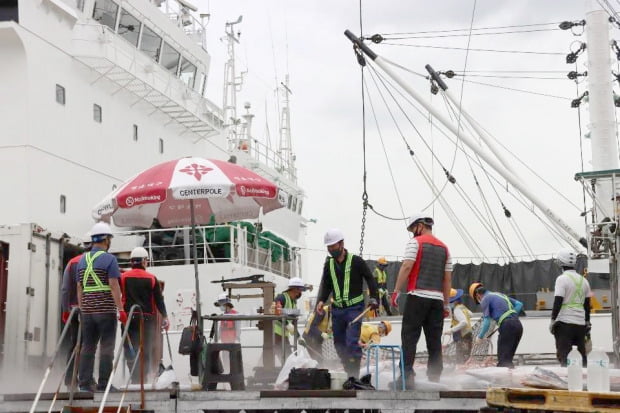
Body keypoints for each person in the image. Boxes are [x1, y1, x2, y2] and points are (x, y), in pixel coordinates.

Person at [392, 213, 452, 388]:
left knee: (409, 338)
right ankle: (434, 378)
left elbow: (407, 266)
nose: (412, 234)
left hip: (417, 296)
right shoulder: (445, 248)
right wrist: (446, 304)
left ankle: (406, 376)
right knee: (434, 341)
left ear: (420, 226)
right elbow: (447, 279)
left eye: (413, 229)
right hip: (437, 301)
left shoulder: (415, 243)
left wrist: (396, 291)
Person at [316, 228, 379, 379]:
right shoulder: (329, 265)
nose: (331, 250)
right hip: (337, 310)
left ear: (341, 244)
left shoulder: (356, 261)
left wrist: (374, 298)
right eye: (329, 247)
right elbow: (326, 285)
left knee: (351, 343)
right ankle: (349, 370)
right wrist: (320, 301)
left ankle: (354, 376)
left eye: (334, 246)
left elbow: (370, 279)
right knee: (338, 344)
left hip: (354, 309)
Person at [76, 222, 125, 392]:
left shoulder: (82, 259)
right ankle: (104, 384)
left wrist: (82, 309)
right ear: (105, 239)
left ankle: (84, 384)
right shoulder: (110, 259)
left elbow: (79, 287)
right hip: (105, 311)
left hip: (87, 312)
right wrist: (121, 309)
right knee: (107, 347)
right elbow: (113, 285)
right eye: (109, 239)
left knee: (87, 346)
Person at [120, 247, 169, 384]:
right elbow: (159, 301)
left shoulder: (123, 277)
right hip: (147, 320)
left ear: (131, 262)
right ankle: (143, 380)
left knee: (130, 348)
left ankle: (134, 378)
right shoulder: (152, 279)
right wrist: (165, 318)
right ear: (144, 261)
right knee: (146, 350)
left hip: (129, 319)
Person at [549, 248, 591, 367]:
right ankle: (584, 382)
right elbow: (587, 305)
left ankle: (567, 383)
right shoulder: (584, 280)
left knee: (566, 358)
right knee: (581, 358)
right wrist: (587, 321)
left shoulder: (561, 279)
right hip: (580, 324)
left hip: (564, 323)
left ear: (561, 263)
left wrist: (553, 320)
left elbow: (558, 300)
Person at [60, 234, 91, 387]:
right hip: (91, 310)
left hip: (73, 310)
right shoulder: (97, 262)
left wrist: (66, 310)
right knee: (89, 344)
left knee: (75, 343)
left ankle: (69, 379)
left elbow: (65, 289)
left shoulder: (72, 263)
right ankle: (86, 379)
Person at [470, 282, 523, 368]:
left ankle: (504, 380)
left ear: (477, 295)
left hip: (507, 326)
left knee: (503, 361)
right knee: (508, 360)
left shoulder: (485, 299)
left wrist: (480, 337)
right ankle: (510, 377)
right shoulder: (500, 295)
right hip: (518, 325)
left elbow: (486, 321)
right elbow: (519, 304)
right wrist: (509, 316)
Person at [274, 277, 307, 361]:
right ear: (295, 289)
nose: (300, 293)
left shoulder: (293, 302)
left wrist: (299, 337)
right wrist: (287, 324)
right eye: (300, 290)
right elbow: (275, 312)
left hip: (283, 335)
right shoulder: (281, 298)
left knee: (288, 359)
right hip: (275, 334)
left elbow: (293, 321)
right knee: (288, 359)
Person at [443, 288, 473, 364]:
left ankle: (461, 372)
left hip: (462, 336)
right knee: (466, 356)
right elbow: (471, 314)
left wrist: (451, 330)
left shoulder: (457, 310)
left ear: (454, 300)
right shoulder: (462, 306)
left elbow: (464, 322)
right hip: (468, 334)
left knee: (461, 358)